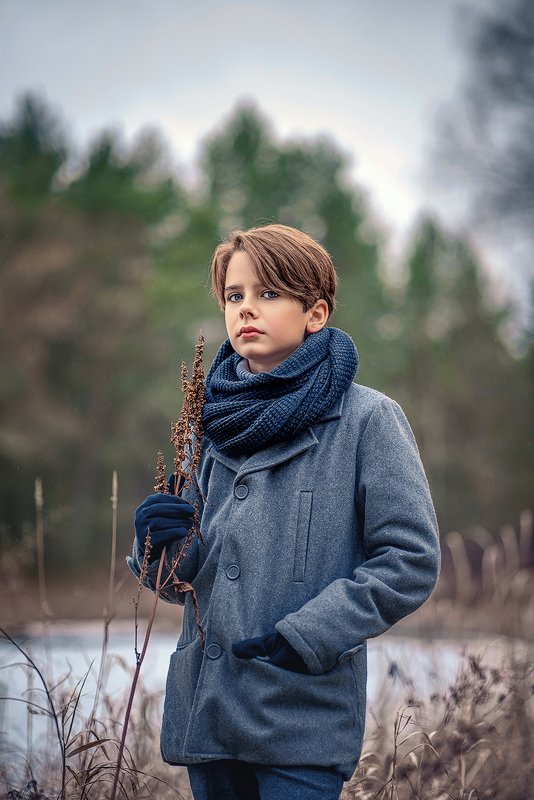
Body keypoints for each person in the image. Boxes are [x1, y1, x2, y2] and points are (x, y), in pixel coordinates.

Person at [128, 224, 441, 800]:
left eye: (268, 293)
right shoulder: (206, 422)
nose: (246, 308)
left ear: (315, 313)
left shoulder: (368, 420)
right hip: (208, 716)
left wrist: (309, 636)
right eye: (234, 295)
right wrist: (156, 547)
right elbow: (184, 584)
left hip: (301, 716)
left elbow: (410, 561)